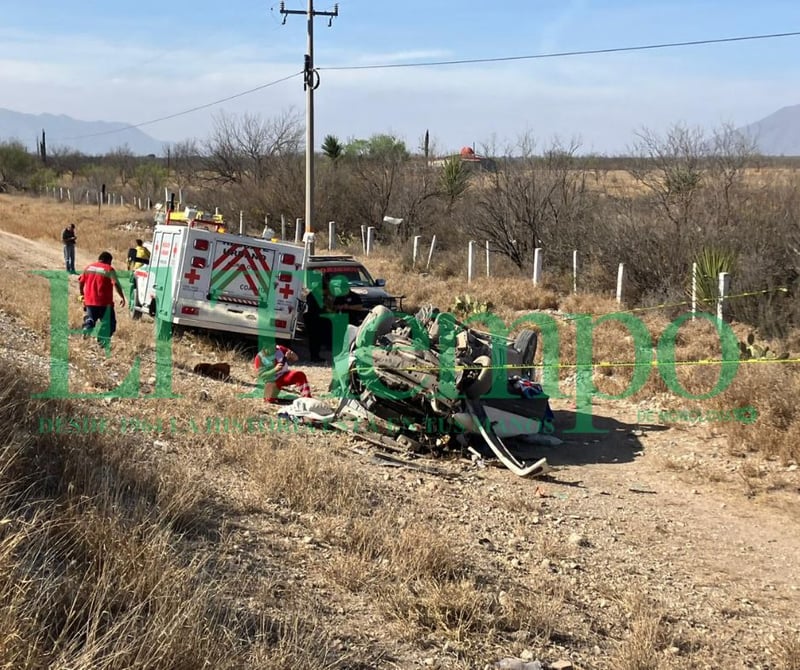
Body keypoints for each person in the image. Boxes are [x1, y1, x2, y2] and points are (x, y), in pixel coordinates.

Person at [78, 251, 126, 348]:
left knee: (91, 319)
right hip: (105, 303)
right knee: (109, 323)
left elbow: (81, 281)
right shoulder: (109, 269)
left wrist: (82, 294)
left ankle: (87, 327)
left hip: (90, 301)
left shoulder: (89, 267)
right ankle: (102, 341)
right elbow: (115, 283)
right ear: (108, 261)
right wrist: (122, 296)